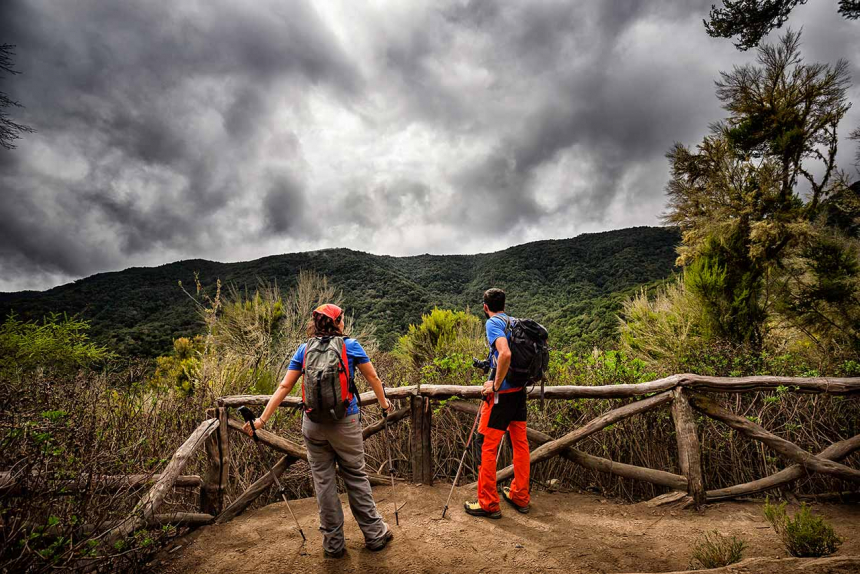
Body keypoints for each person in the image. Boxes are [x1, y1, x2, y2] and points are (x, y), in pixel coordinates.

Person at [243, 303, 394, 558]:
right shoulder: (351, 346)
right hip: (345, 422)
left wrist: (261, 420)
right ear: (338, 323)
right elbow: (374, 379)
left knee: (324, 483)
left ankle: (333, 545)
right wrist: (384, 404)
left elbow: (283, 387)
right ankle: (375, 534)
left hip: (313, 426)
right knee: (356, 478)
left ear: (316, 324)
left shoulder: (304, 350)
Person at [464, 288, 531, 518]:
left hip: (501, 398)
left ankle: (488, 503)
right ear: (504, 303)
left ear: (485, 307)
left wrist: (494, 385)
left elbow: (505, 354)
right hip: (519, 393)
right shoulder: (513, 321)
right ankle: (520, 496)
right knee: (520, 445)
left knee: (486, 447)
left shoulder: (493, 323)